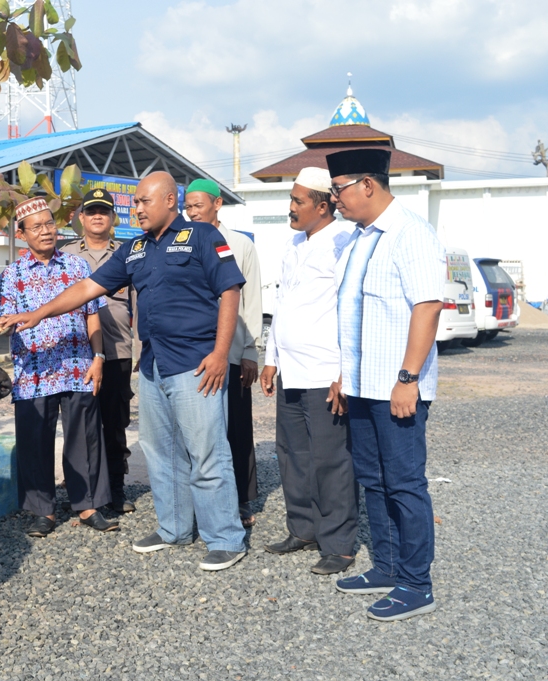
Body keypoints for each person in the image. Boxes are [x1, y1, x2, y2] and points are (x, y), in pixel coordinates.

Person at [0, 171, 248, 571]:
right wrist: (38, 313)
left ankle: (225, 538)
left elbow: (230, 291)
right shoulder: (134, 249)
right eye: (135, 203)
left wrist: (221, 353)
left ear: (170, 200)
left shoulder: (203, 237)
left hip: (196, 365)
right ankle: (174, 529)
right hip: (152, 366)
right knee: (161, 453)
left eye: (144, 202)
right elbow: (86, 289)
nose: (137, 209)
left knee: (206, 454)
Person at [327, 148, 445, 621]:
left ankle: (417, 583)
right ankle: (388, 566)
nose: (335, 199)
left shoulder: (410, 234)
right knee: (372, 480)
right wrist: (344, 375)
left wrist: (408, 379)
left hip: (396, 385)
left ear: (367, 185)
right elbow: (357, 312)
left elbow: (428, 307)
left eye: (338, 190)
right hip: (361, 384)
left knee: (404, 484)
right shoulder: (359, 238)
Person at [0, 196, 119, 538]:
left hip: (78, 367)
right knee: (34, 442)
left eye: (50, 224)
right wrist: (3, 323)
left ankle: (88, 504)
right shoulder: (11, 275)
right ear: (22, 234)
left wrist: (99, 358)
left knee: (85, 439)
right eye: (37, 227)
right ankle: (42, 511)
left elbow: (92, 315)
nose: (46, 231)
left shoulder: (78, 268)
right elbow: (3, 318)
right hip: (33, 372)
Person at [259, 167, 358, 575]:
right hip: (290, 371)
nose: (291, 208)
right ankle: (303, 529)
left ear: (323, 205)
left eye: (298, 201)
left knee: (330, 460)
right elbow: (282, 306)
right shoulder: (293, 244)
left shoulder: (344, 242)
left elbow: (350, 310)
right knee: (292, 454)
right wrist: (271, 358)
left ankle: (339, 543)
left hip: (324, 372)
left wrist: (344, 373)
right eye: (291, 200)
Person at [183, 178, 263, 528]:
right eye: (188, 206)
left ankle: (242, 501)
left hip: (230, 352)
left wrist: (250, 351)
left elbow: (250, 301)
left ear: (217, 204)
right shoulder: (180, 242)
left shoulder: (241, 245)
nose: (192, 211)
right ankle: (198, 501)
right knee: (198, 430)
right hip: (193, 353)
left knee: (236, 428)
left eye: (198, 205)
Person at [61, 188, 138, 514]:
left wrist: (141, 347)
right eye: (91, 211)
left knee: (115, 424)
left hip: (118, 351)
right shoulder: (66, 254)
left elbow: (140, 303)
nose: (97, 216)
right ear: (81, 217)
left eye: (103, 211)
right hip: (75, 355)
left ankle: (115, 491)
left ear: (112, 218)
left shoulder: (128, 253)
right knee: (79, 426)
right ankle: (85, 493)